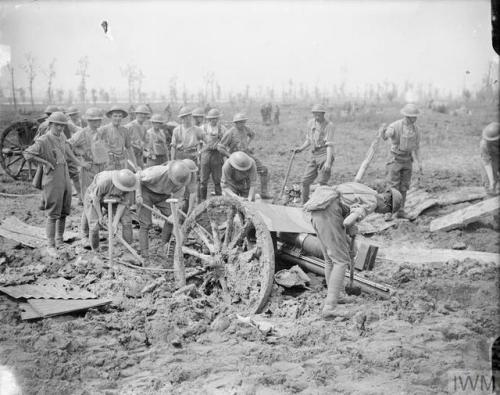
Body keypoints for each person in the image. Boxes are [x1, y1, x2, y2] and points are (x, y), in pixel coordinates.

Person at [303, 182, 402, 319]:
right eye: (384, 212)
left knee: (329, 260)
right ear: (386, 202)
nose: (380, 213)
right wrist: (352, 227)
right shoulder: (372, 202)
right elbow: (347, 221)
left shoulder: (366, 190)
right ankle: (330, 307)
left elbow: (345, 205)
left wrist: (348, 231)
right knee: (341, 261)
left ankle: (335, 297)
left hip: (318, 209)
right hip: (329, 213)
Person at [24, 112, 83, 256]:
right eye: (57, 125)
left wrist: (79, 163)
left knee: (64, 210)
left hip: (64, 175)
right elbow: (27, 154)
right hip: (52, 178)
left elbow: (67, 150)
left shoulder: (62, 136)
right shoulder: (43, 140)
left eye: (62, 125)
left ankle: (60, 241)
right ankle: (50, 245)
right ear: (50, 124)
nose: (60, 128)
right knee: (53, 212)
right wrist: (45, 163)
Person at [135, 161, 195, 261]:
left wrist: (174, 214)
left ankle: (163, 246)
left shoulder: (182, 182)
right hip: (146, 192)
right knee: (145, 224)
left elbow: (178, 200)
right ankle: (144, 255)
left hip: (163, 196)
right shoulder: (157, 172)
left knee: (172, 218)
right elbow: (137, 177)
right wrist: (138, 195)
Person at [81, 169, 138, 251]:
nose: (124, 191)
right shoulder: (104, 182)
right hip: (94, 197)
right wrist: (100, 216)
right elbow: (96, 200)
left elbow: (122, 204)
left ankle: (127, 248)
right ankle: (95, 249)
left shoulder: (129, 187)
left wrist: (114, 223)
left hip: (115, 198)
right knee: (94, 225)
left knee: (127, 221)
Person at [382, 103, 422, 218]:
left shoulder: (416, 130)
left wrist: (420, 163)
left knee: (404, 187)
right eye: (413, 116)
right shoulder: (395, 126)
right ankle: (389, 212)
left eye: (416, 116)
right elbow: (387, 134)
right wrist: (386, 133)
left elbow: (417, 147)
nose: (415, 118)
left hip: (407, 160)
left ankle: (400, 211)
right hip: (395, 159)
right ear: (407, 116)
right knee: (392, 187)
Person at [220, 113, 271, 199]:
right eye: (240, 122)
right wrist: (230, 156)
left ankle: (264, 192)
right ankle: (235, 192)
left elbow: (252, 134)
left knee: (263, 170)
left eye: (243, 122)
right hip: (235, 158)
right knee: (235, 177)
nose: (242, 124)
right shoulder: (230, 133)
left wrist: (247, 144)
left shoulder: (246, 129)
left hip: (246, 155)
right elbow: (220, 147)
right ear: (235, 123)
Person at [293, 104, 335, 204]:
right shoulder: (311, 123)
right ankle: (304, 203)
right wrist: (301, 148)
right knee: (305, 181)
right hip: (314, 154)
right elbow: (309, 140)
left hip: (325, 154)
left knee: (322, 183)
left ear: (323, 114)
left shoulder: (329, 125)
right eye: (314, 114)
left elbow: (329, 145)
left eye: (318, 114)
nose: (316, 116)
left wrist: (328, 162)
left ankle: (320, 205)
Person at [68, 108, 109, 201]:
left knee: (99, 196)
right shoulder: (82, 133)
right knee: (89, 197)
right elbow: (67, 146)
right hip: (89, 168)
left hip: (101, 168)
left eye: (99, 120)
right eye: (95, 120)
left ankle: (97, 215)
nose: (99, 122)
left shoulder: (99, 132)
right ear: (89, 121)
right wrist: (80, 163)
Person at [99, 105, 137, 170]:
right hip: (108, 164)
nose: (118, 118)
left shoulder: (125, 130)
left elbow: (129, 148)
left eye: (120, 116)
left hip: (122, 162)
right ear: (110, 116)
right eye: (115, 116)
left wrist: (135, 164)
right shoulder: (103, 130)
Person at [200, 108, 226, 200]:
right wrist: (200, 154)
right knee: (203, 180)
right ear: (209, 119)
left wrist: (221, 149)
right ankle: (202, 201)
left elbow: (225, 141)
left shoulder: (222, 128)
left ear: (218, 119)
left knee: (217, 180)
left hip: (217, 155)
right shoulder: (203, 128)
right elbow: (199, 142)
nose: (214, 120)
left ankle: (219, 201)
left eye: (216, 118)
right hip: (205, 154)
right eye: (212, 118)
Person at [125, 104, 151, 169]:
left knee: (141, 172)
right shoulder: (129, 126)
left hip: (139, 155)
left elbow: (144, 142)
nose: (143, 116)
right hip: (129, 155)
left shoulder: (144, 128)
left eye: (145, 114)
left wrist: (146, 150)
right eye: (141, 114)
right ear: (136, 114)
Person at [479, 122, 500, 195]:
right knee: (489, 187)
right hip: (493, 158)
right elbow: (487, 163)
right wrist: (492, 181)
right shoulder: (484, 144)